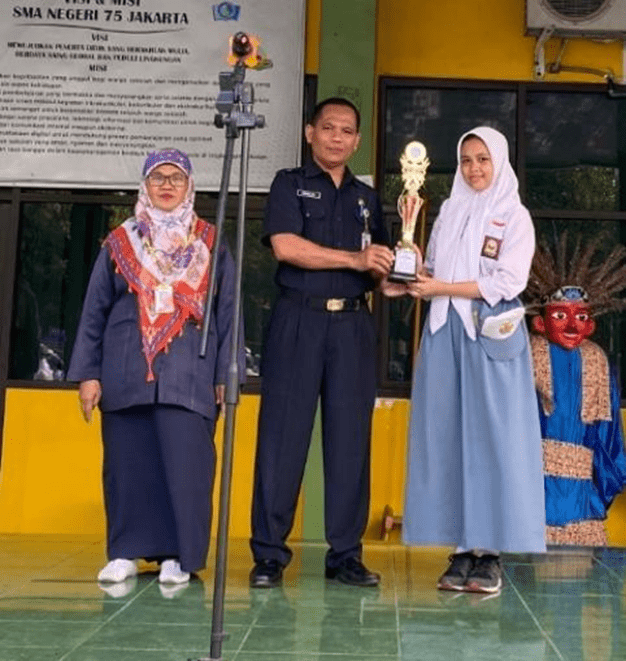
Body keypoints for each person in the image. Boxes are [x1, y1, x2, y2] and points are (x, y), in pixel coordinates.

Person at [67, 148, 243, 585]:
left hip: (190, 373)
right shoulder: (119, 242)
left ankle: (179, 557)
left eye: (176, 177)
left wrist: (228, 374)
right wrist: (89, 374)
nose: (167, 185)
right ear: (144, 185)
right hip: (125, 367)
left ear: (189, 187)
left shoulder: (209, 242)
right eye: (158, 177)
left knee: (187, 467)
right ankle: (124, 552)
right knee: (127, 466)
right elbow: (94, 310)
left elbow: (229, 311)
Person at [249, 97, 397, 588]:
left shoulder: (367, 198)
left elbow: (379, 267)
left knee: (350, 441)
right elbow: (286, 247)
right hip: (299, 320)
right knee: (282, 439)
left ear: (357, 141)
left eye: (347, 130)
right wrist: (355, 261)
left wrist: (396, 275)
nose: (337, 137)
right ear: (310, 132)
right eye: (328, 127)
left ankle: (346, 556)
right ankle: (269, 555)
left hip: (353, 327)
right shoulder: (289, 184)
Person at [403, 126, 546, 593]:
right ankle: (462, 549)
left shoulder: (514, 215)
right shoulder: (449, 210)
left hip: (488, 337)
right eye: (466, 160)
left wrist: (440, 286)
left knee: (493, 441)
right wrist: (412, 265)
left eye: (483, 159)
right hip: (444, 332)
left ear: (499, 162)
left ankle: (490, 554)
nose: (474, 168)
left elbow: (507, 282)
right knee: (447, 439)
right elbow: (434, 270)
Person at [525, 235, 626, 545]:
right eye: (560, 316)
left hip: (582, 500)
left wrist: (604, 484)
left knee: (581, 571)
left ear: (591, 326)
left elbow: (608, 437)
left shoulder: (598, 362)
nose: (572, 326)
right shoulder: (524, 357)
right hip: (530, 491)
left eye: (580, 317)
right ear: (540, 323)